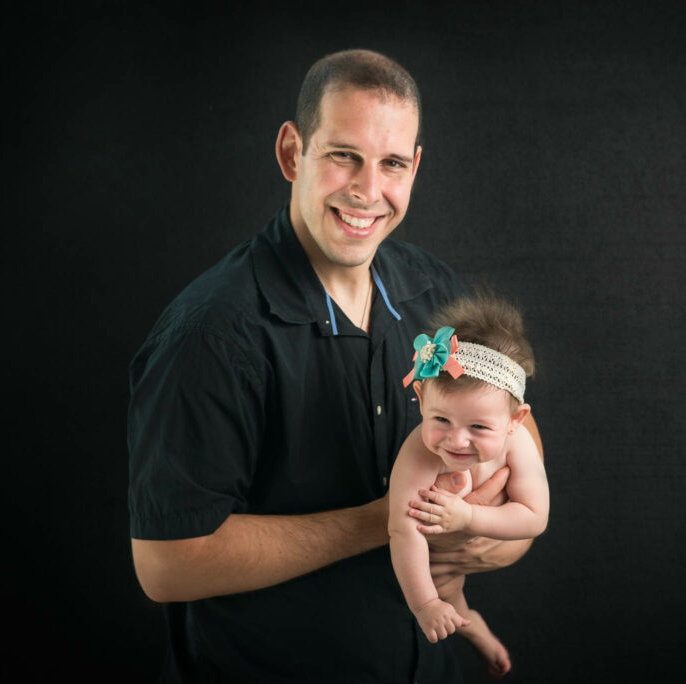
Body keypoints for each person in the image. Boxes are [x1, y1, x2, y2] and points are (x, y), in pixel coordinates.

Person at [127, 49, 542, 682]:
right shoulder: (210, 333)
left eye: (391, 163)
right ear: (292, 153)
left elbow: (514, 423)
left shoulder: (435, 291)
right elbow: (165, 567)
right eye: (344, 155)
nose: (367, 191)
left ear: (415, 167)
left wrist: (500, 536)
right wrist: (390, 519)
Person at [389, 294, 548, 678]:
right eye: (441, 419)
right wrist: (425, 604)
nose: (456, 440)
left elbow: (534, 517)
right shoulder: (418, 452)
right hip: (420, 564)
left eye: (478, 427)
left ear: (515, 420)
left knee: (449, 591)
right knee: (443, 592)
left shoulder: (518, 443)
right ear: (421, 399)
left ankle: (467, 620)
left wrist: (468, 518)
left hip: (467, 544)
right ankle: (470, 624)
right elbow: (402, 529)